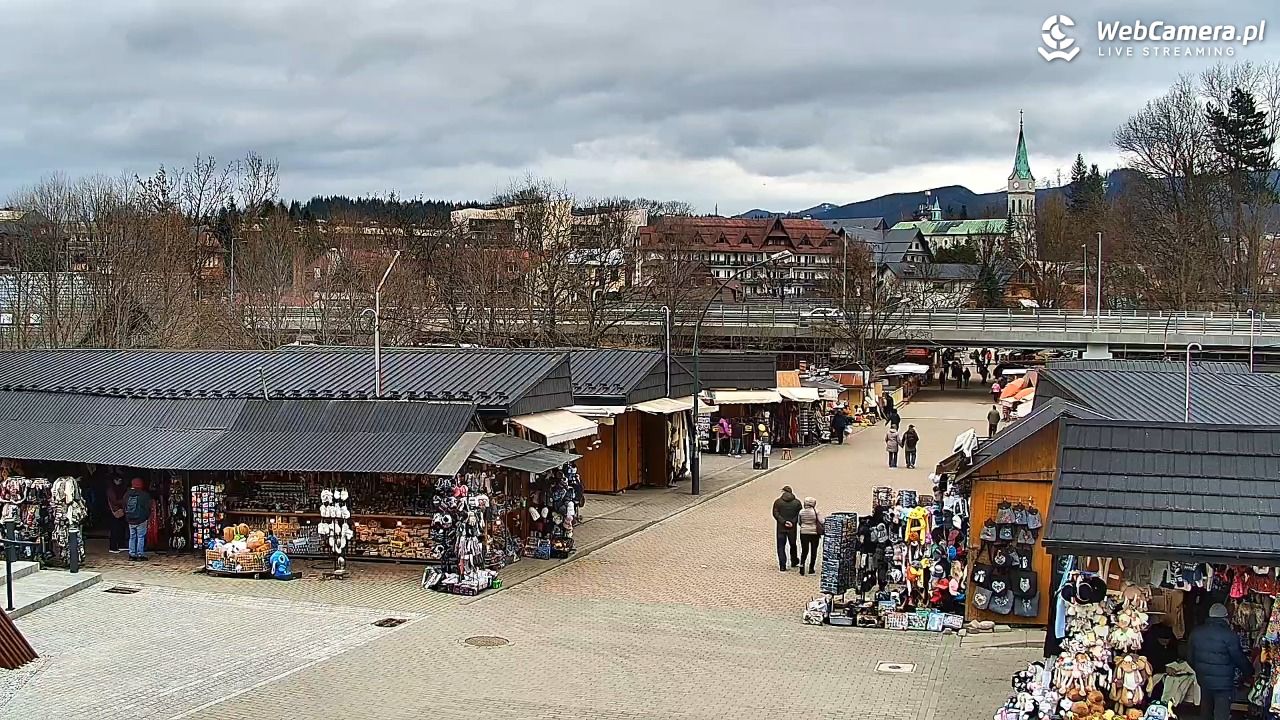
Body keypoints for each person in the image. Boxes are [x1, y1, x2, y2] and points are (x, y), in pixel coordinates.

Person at [1189, 603, 1253, 719]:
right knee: (1221, 714)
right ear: (1225, 617)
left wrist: (1201, 671)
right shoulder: (1229, 635)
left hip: (1204, 680)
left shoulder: (1196, 633)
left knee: (1205, 712)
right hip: (1224, 684)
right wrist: (1249, 672)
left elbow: (1190, 658)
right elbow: (1238, 658)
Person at [772, 486, 802, 571]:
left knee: (781, 546)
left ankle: (782, 565)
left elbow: (775, 513)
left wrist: (783, 522)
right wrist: (792, 522)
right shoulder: (797, 503)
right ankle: (794, 561)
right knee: (793, 544)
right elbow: (799, 514)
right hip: (792, 528)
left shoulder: (778, 502)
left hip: (781, 528)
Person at [124, 478, 153, 561]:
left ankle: (132, 554)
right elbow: (148, 507)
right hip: (141, 519)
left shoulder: (127, 494)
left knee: (132, 536)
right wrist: (146, 517)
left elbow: (124, 505)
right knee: (141, 536)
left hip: (130, 519)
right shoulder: (144, 495)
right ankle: (140, 554)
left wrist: (128, 517)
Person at [797, 497, 823, 576]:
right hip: (814, 533)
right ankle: (811, 568)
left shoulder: (801, 512)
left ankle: (802, 565)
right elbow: (821, 521)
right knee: (813, 550)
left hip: (804, 532)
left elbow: (799, 522)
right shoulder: (816, 512)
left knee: (804, 550)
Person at [106, 476, 128, 554]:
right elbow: (114, 501)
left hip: (121, 511)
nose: (119, 481)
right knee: (114, 529)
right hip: (114, 512)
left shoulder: (120, 488)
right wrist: (124, 501)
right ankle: (113, 546)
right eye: (117, 479)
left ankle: (121, 545)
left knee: (121, 528)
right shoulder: (111, 490)